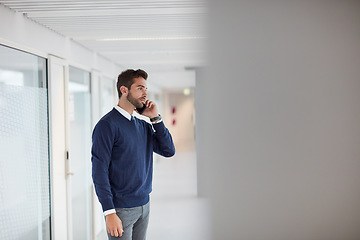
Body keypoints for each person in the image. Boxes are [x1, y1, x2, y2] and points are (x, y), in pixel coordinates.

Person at [91, 69, 175, 240]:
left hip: (144, 205)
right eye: (140, 88)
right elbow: (99, 171)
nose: (145, 94)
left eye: (146, 89)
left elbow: (168, 150)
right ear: (124, 90)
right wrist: (109, 212)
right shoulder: (107, 125)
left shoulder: (142, 126)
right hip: (121, 209)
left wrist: (156, 119)